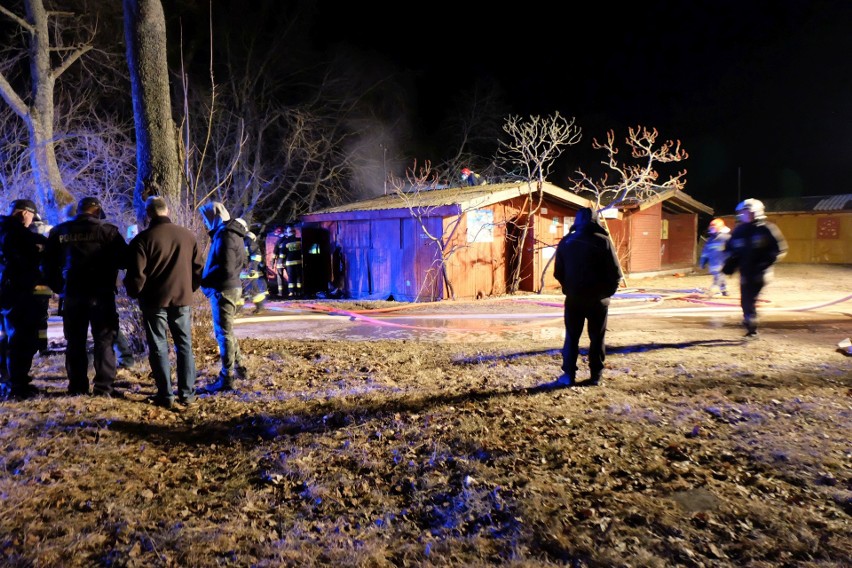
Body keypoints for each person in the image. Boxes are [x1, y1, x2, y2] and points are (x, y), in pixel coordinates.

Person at [124, 196, 204, 408]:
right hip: (182, 298)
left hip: (153, 301)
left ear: (149, 214)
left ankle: (165, 394)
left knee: (158, 346)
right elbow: (198, 269)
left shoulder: (142, 240)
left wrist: (134, 292)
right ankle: (187, 394)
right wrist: (189, 289)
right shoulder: (187, 236)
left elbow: (137, 276)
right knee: (184, 345)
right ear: (166, 211)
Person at [44, 196, 128, 397]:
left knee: (75, 342)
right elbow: (125, 260)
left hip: (72, 296)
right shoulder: (108, 232)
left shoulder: (59, 232)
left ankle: (77, 387)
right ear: (97, 211)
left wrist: (60, 287)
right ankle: (103, 388)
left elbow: (47, 266)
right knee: (104, 341)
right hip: (102, 296)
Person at [552, 207, 623, 387]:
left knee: (572, 337)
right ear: (595, 221)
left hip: (574, 299)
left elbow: (558, 272)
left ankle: (568, 374)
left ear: (577, 221)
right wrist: (607, 293)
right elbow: (615, 273)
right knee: (597, 338)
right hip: (598, 300)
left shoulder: (567, 241)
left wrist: (569, 288)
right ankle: (596, 376)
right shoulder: (604, 241)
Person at [198, 202, 248, 392]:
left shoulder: (225, 235)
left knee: (223, 333)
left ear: (215, 216)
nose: (205, 222)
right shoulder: (234, 234)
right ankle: (240, 368)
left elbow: (224, 267)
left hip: (223, 289)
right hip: (231, 287)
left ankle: (227, 377)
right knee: (228, 331)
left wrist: (205, 280)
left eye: (206, 218)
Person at [0, 199, 47, 400]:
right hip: (18, 294)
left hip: (6, 293)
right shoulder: (16, 234)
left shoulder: (5, 230)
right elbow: (27, 261)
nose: (30, 222)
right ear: (23, 213)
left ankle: (10, 380)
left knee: (8, 338)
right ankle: (18, 386)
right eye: (30, 218)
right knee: (21, 338)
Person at [723, 198, 788, 338]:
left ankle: (751, 322)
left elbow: (779, 250)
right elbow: (731, 250)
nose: (744, 215)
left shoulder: (766, 230)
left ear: (757, 212)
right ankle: (750, 320)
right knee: (745, 299)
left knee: (750, 298)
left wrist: (764, 264)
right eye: (743, 212)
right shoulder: (739, 231)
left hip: (761, 272)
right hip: (745, 272)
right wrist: (730, 264)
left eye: (748, 212)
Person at [236, 218, 269, 313]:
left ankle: (260, 307)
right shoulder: (237, 241)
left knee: (253, 290)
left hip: (249, 272)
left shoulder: (248, 241)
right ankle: (238, 310)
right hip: (239, 271)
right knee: (239, 292)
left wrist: (252, 268)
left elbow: (257, 255)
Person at [699, 218, 731, 297]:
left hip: (723, 261)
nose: (711, 228)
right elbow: (705, 251)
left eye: (714, 226)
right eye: (711, 226)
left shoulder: (726, 237)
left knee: (719, 274)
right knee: (718, 274)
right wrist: (703, 261)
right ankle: (724, 290)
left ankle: (715, 289)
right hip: (713, 262)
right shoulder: (710, 239)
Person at [273, 225, 303, 299]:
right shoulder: (299, 240)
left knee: (291, 278)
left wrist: (281, 262)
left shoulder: (285, 242)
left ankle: (291, 292)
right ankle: (299, 291)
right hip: (299, 262)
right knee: (299, 277)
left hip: (289, 263)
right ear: (295, 232)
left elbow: (282, 254)